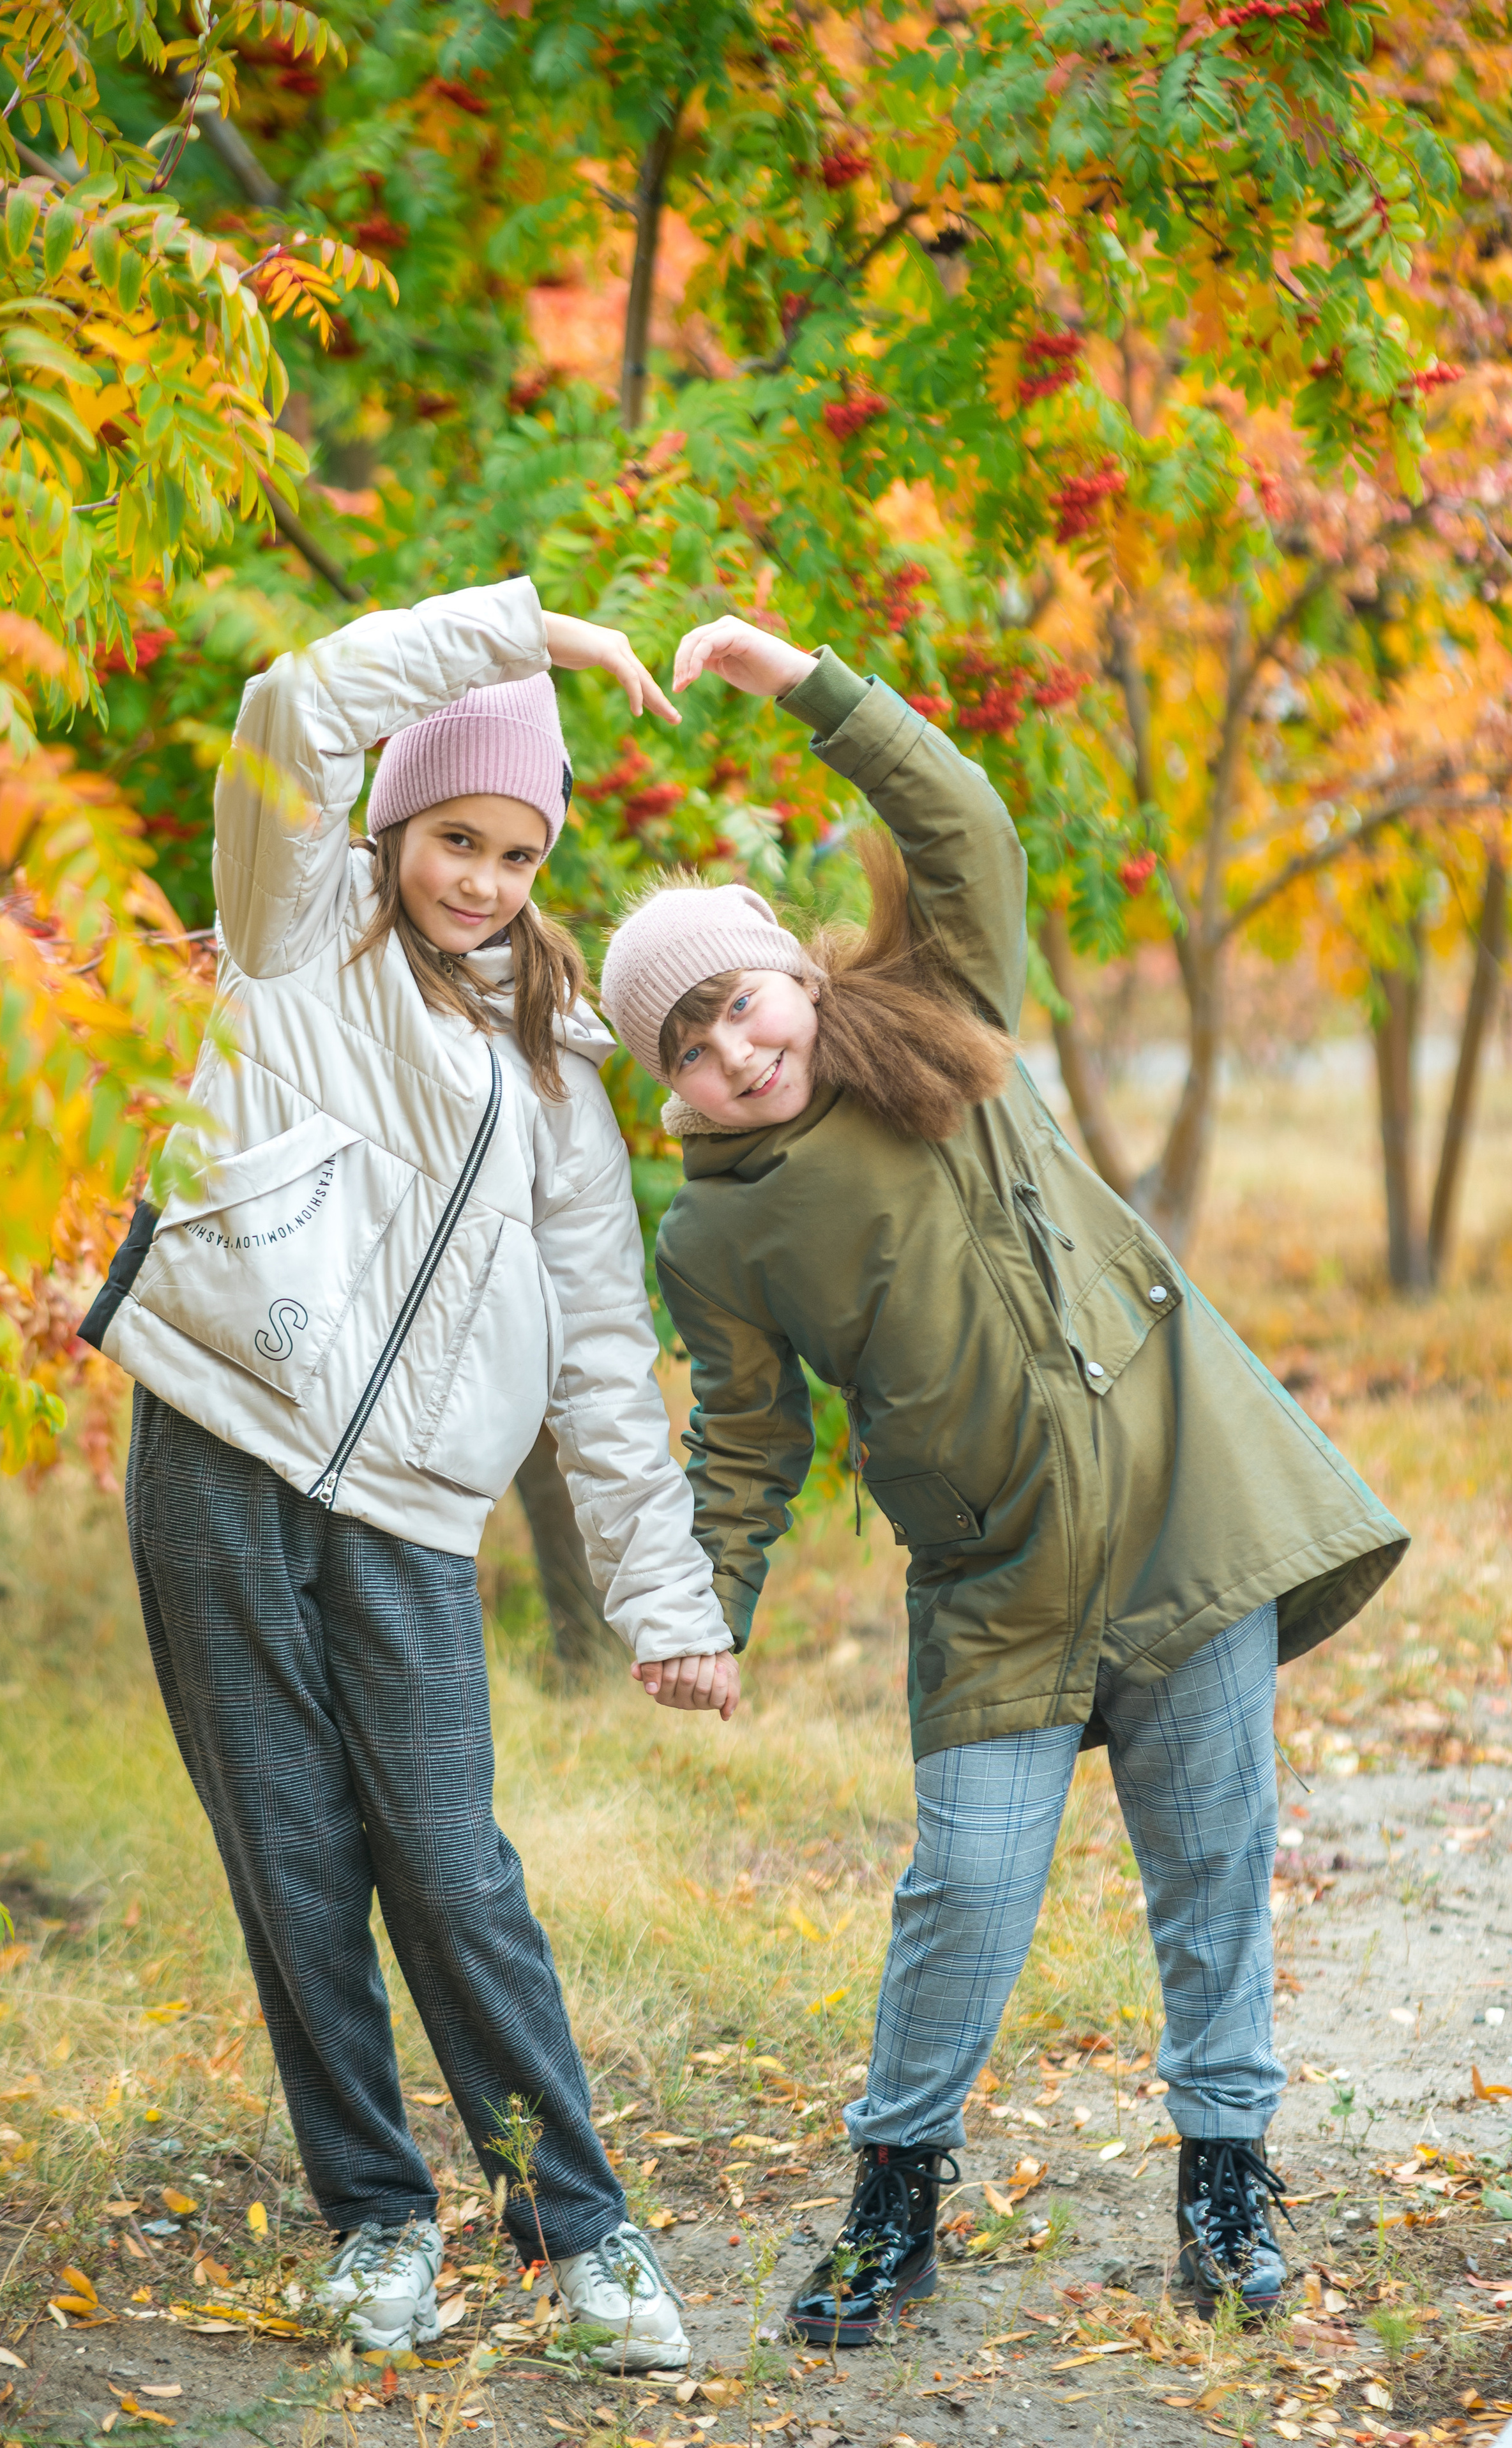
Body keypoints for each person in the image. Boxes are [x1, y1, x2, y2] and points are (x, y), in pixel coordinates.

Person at [602, 614, 1409, 2339]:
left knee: (1216, 1859)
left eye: (738, 1001)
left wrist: (803, 680)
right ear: (668, 1083)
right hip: (998, 1577)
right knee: (966, 1892)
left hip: (1185, 1501)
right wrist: (703, 1608)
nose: (737, 1049)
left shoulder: (935, 1004)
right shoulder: (719, 1229)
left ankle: (1224, 2184)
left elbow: (962, 820)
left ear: (786, 973)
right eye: (689, 1044)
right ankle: (894, 2199)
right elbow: (746, 1438)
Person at [90, 579, 741, 2365]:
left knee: (452, 1870)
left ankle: (583, 2233)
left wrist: (663, 1597)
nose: (482, 879)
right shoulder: (295, 929)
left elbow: (609, 1355)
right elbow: (296, 698)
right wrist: (521, 638)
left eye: (518, 854)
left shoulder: (557, 1079)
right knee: (290, 1856)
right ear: (394, 825)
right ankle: (376, 2223)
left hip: (405, 1515)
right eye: (457, 836)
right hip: (218, 1448)